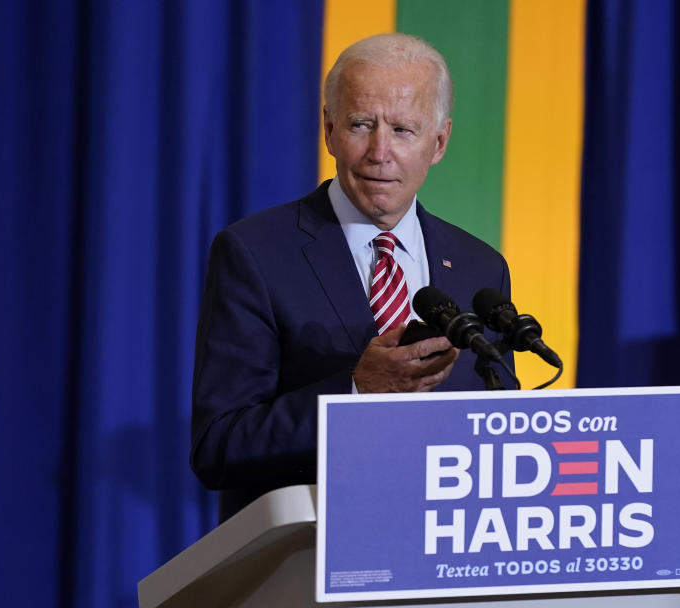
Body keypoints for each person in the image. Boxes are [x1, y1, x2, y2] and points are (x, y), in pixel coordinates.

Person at [190, 33, 511, 524]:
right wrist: (356, 391)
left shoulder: (481, 267)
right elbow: (220, 445)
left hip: (447, 561)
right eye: (362, 124)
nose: (379, 152)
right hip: (304, 569)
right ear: (329, 129)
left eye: (404, 130)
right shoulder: (255, 253)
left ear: (439, 142)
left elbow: (501, 434)